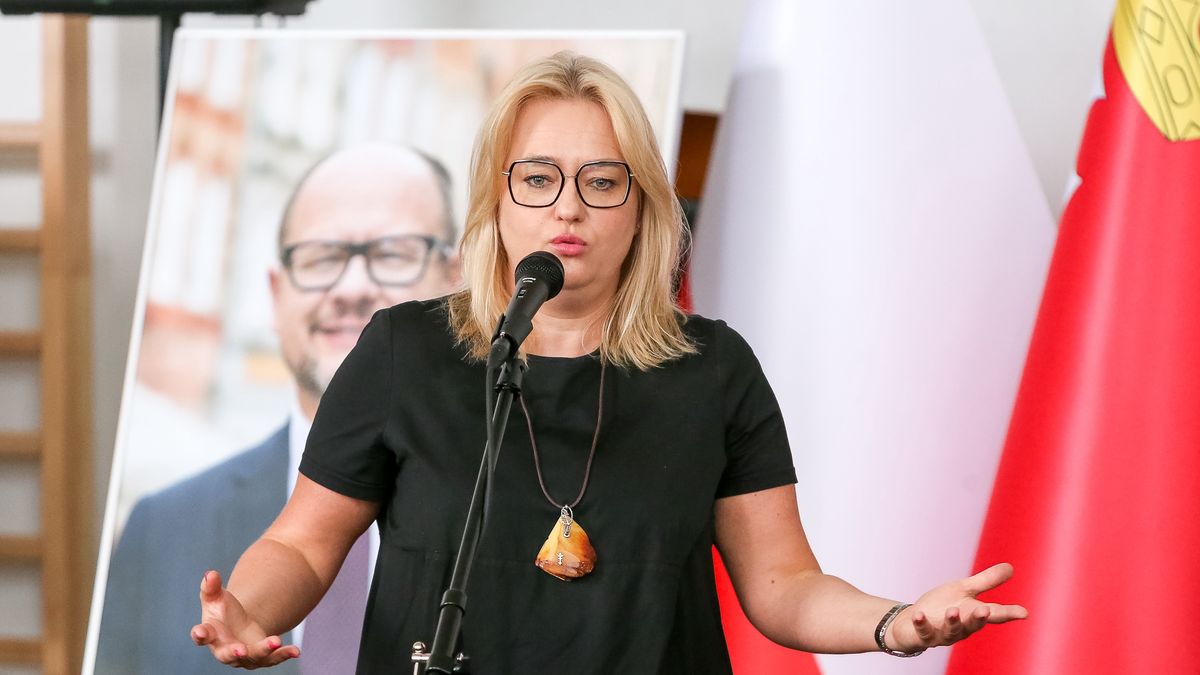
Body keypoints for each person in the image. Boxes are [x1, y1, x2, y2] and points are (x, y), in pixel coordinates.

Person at [190, 53, 1028, 674]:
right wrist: (249, 608)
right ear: (495, 201)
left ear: (642, 208)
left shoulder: (713, 371)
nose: (568, 207)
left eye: (601, 181)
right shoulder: (405, 351)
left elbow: (784, 584)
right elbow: (303, 543)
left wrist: (894, 622)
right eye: (538, 179)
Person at [96, 144, 460, 674]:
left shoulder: (521, 515)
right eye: (322, 257)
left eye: (393, 254)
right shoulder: (161, 529)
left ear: (457, 281)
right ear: (275, 293)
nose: (352, 288)